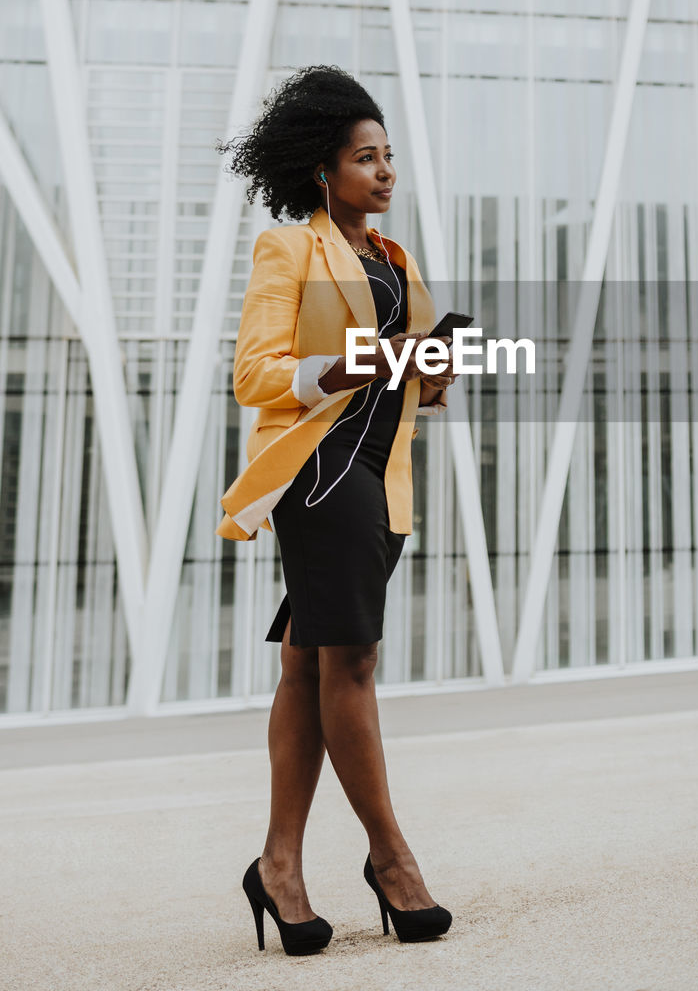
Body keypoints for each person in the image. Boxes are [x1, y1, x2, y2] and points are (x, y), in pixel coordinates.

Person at [216, 65, 456, 955]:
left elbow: (398, 380)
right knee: (349, 657)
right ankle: (391, 861)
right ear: (325, 171)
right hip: (318, 472)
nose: (386, 172)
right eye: (367, 158)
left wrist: (428, 379)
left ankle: (278, 866)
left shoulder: (393, 258)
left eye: (389, 156)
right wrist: (359, 362)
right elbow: (254, 376)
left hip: (378, 472)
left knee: (307, 659)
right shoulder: (289, 249)